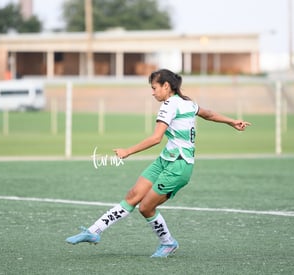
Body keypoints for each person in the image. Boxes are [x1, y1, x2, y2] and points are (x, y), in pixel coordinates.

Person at [65, 69, 251, 258]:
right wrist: (232, 121)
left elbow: (156, 138)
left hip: (179, 165)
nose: (152, 92)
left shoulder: (170, 105)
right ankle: (94, 231)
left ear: (166, 86)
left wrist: (127, 151)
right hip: (165, 159)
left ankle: (168, 243)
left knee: (146, 207)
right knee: (133, 195)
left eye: (154, 88)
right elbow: (209, 114)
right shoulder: (187, 103)